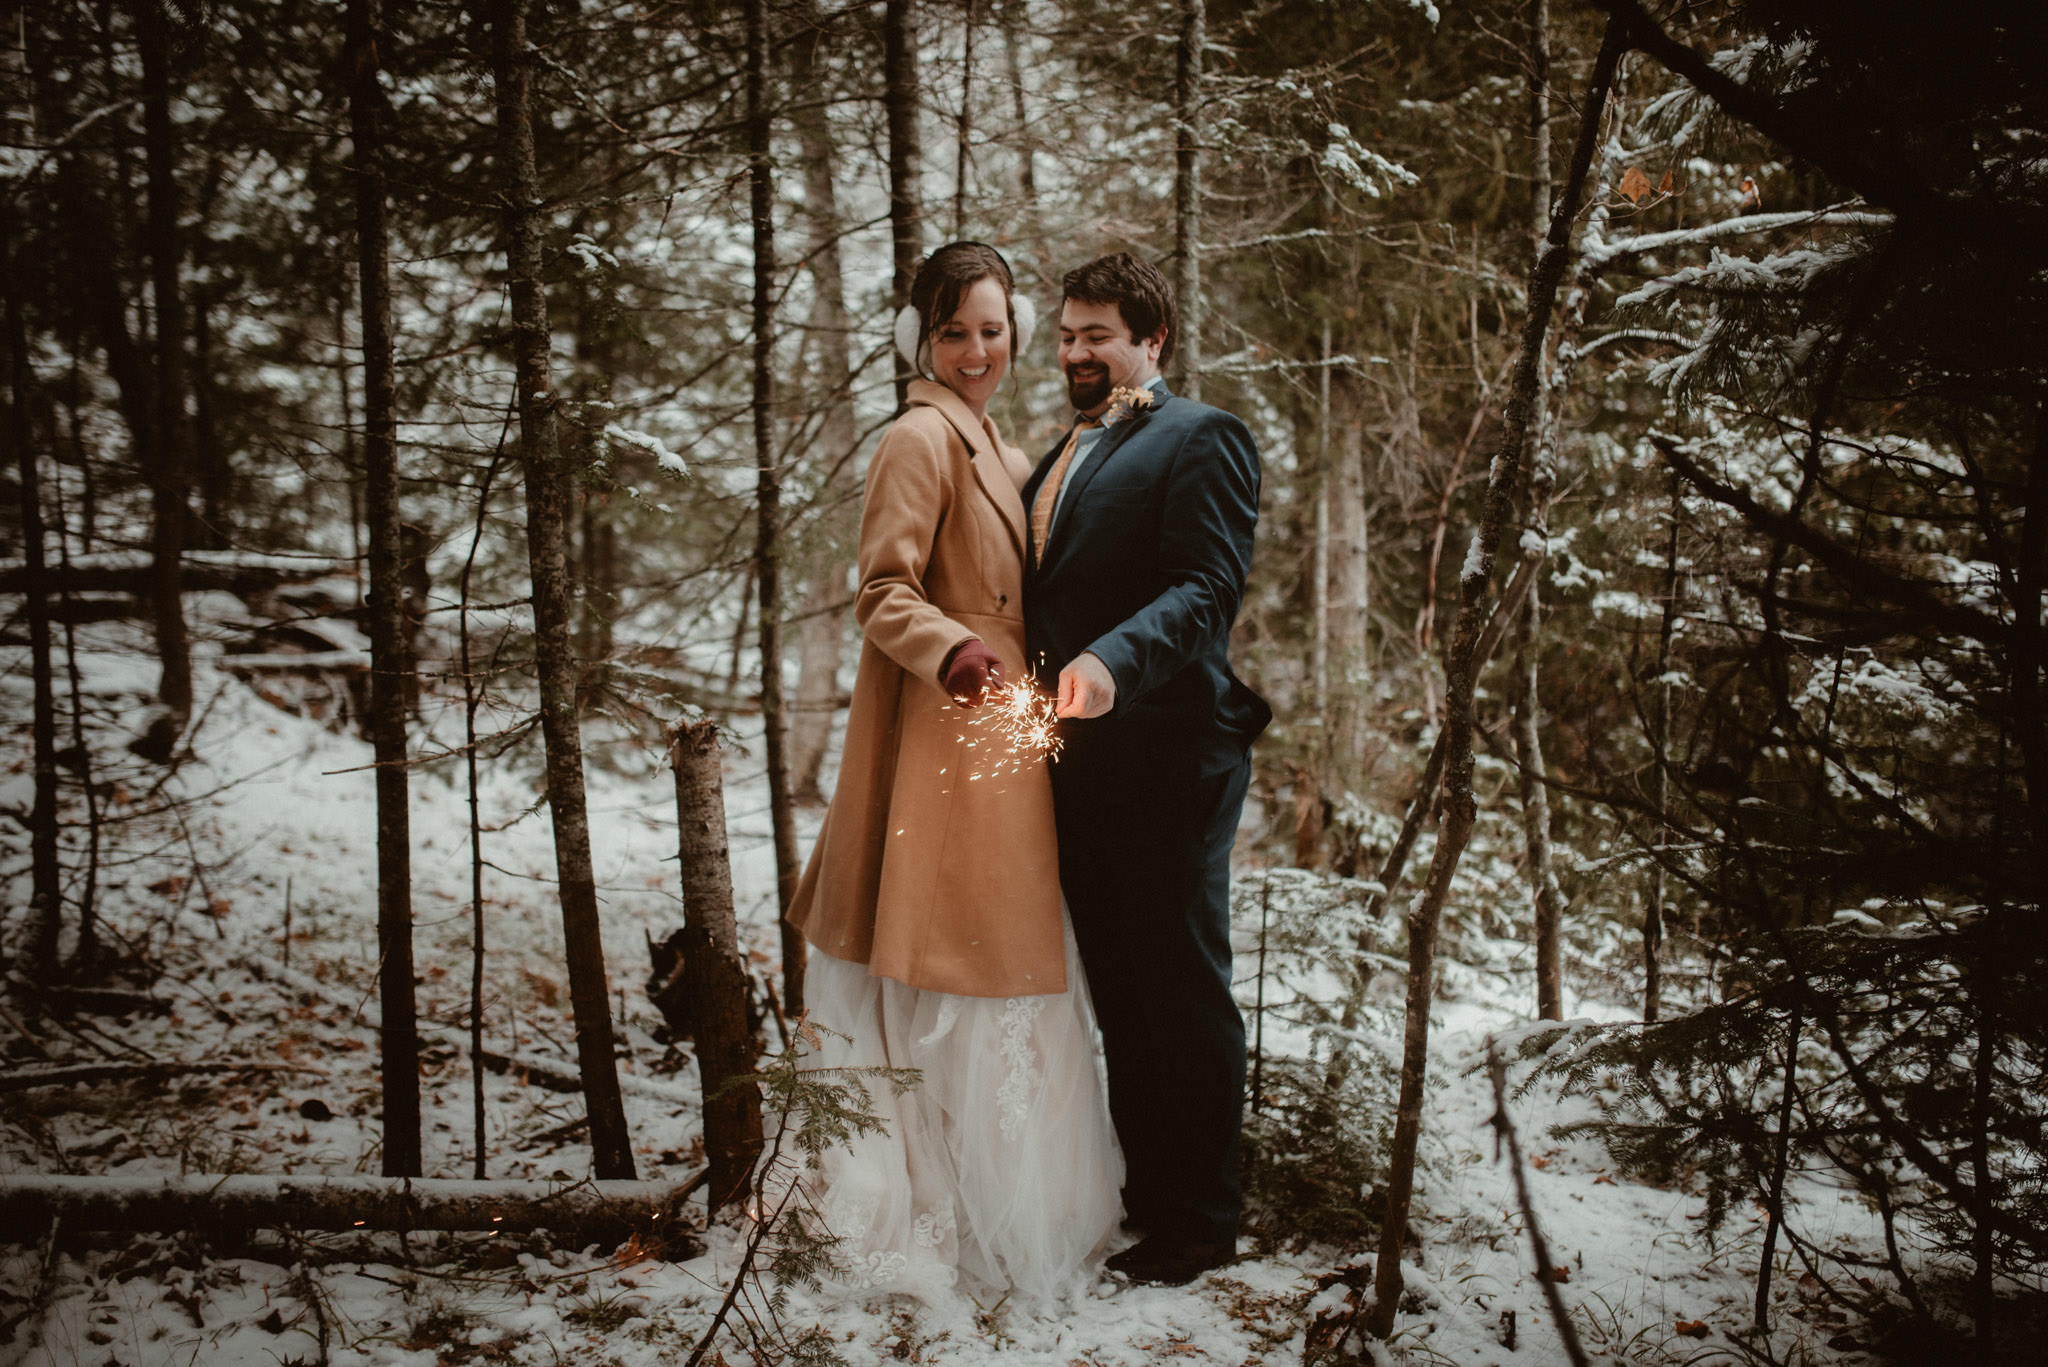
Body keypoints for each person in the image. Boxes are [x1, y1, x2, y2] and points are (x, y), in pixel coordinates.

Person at [781, 242, 1123, 1303]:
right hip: (943, 734)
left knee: (1003, 959)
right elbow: (881, 588)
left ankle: (992, 1208)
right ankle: (926, 1207)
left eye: (991, 329)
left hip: (1003, 744)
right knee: (949, 959)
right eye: (954, 331)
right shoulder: (916, 435)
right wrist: (956, 649)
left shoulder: (1001, 444)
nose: (978, 350)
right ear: (919, 340)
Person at [1021, 252, 1271, 1287]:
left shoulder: (1197, 435)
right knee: (1120, 990)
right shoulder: (1057, 453)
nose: (1078, 352)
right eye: (1068, 334)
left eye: (1099, 336)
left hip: (1171, 755)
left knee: (1176, 984)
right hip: (1077, 765)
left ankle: (1202, 1218)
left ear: (1150, 340)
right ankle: (1147, 1200)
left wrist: (1112, 663)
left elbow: (1208, 586)